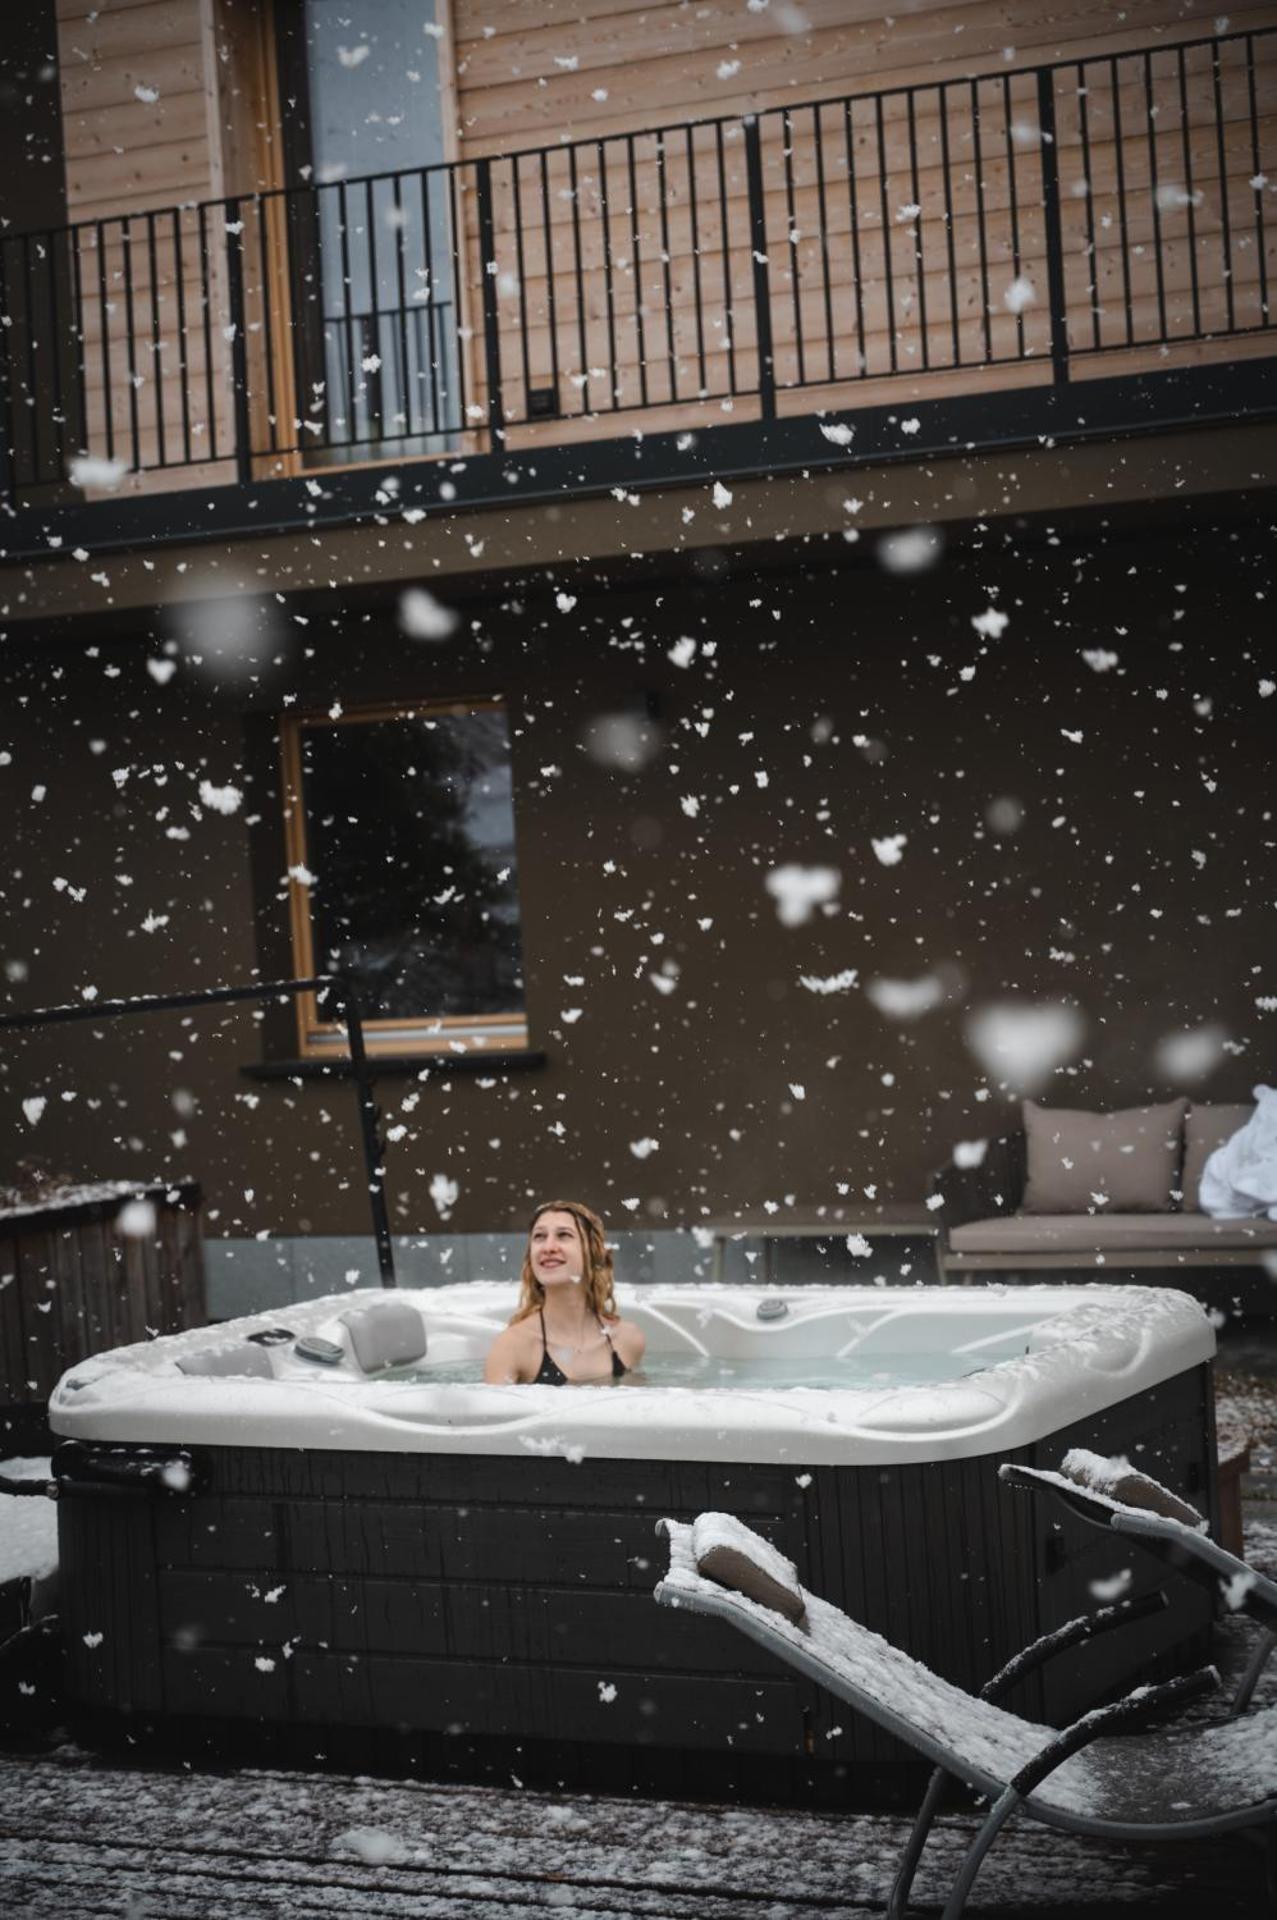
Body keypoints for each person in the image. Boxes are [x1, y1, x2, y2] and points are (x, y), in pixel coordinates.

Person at [483, 1199, 646, 1385]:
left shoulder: (628, 1339)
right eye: (539, 1236)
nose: (548, 1247)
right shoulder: (512, 1348)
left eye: (563, 1235)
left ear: (592, 1252)